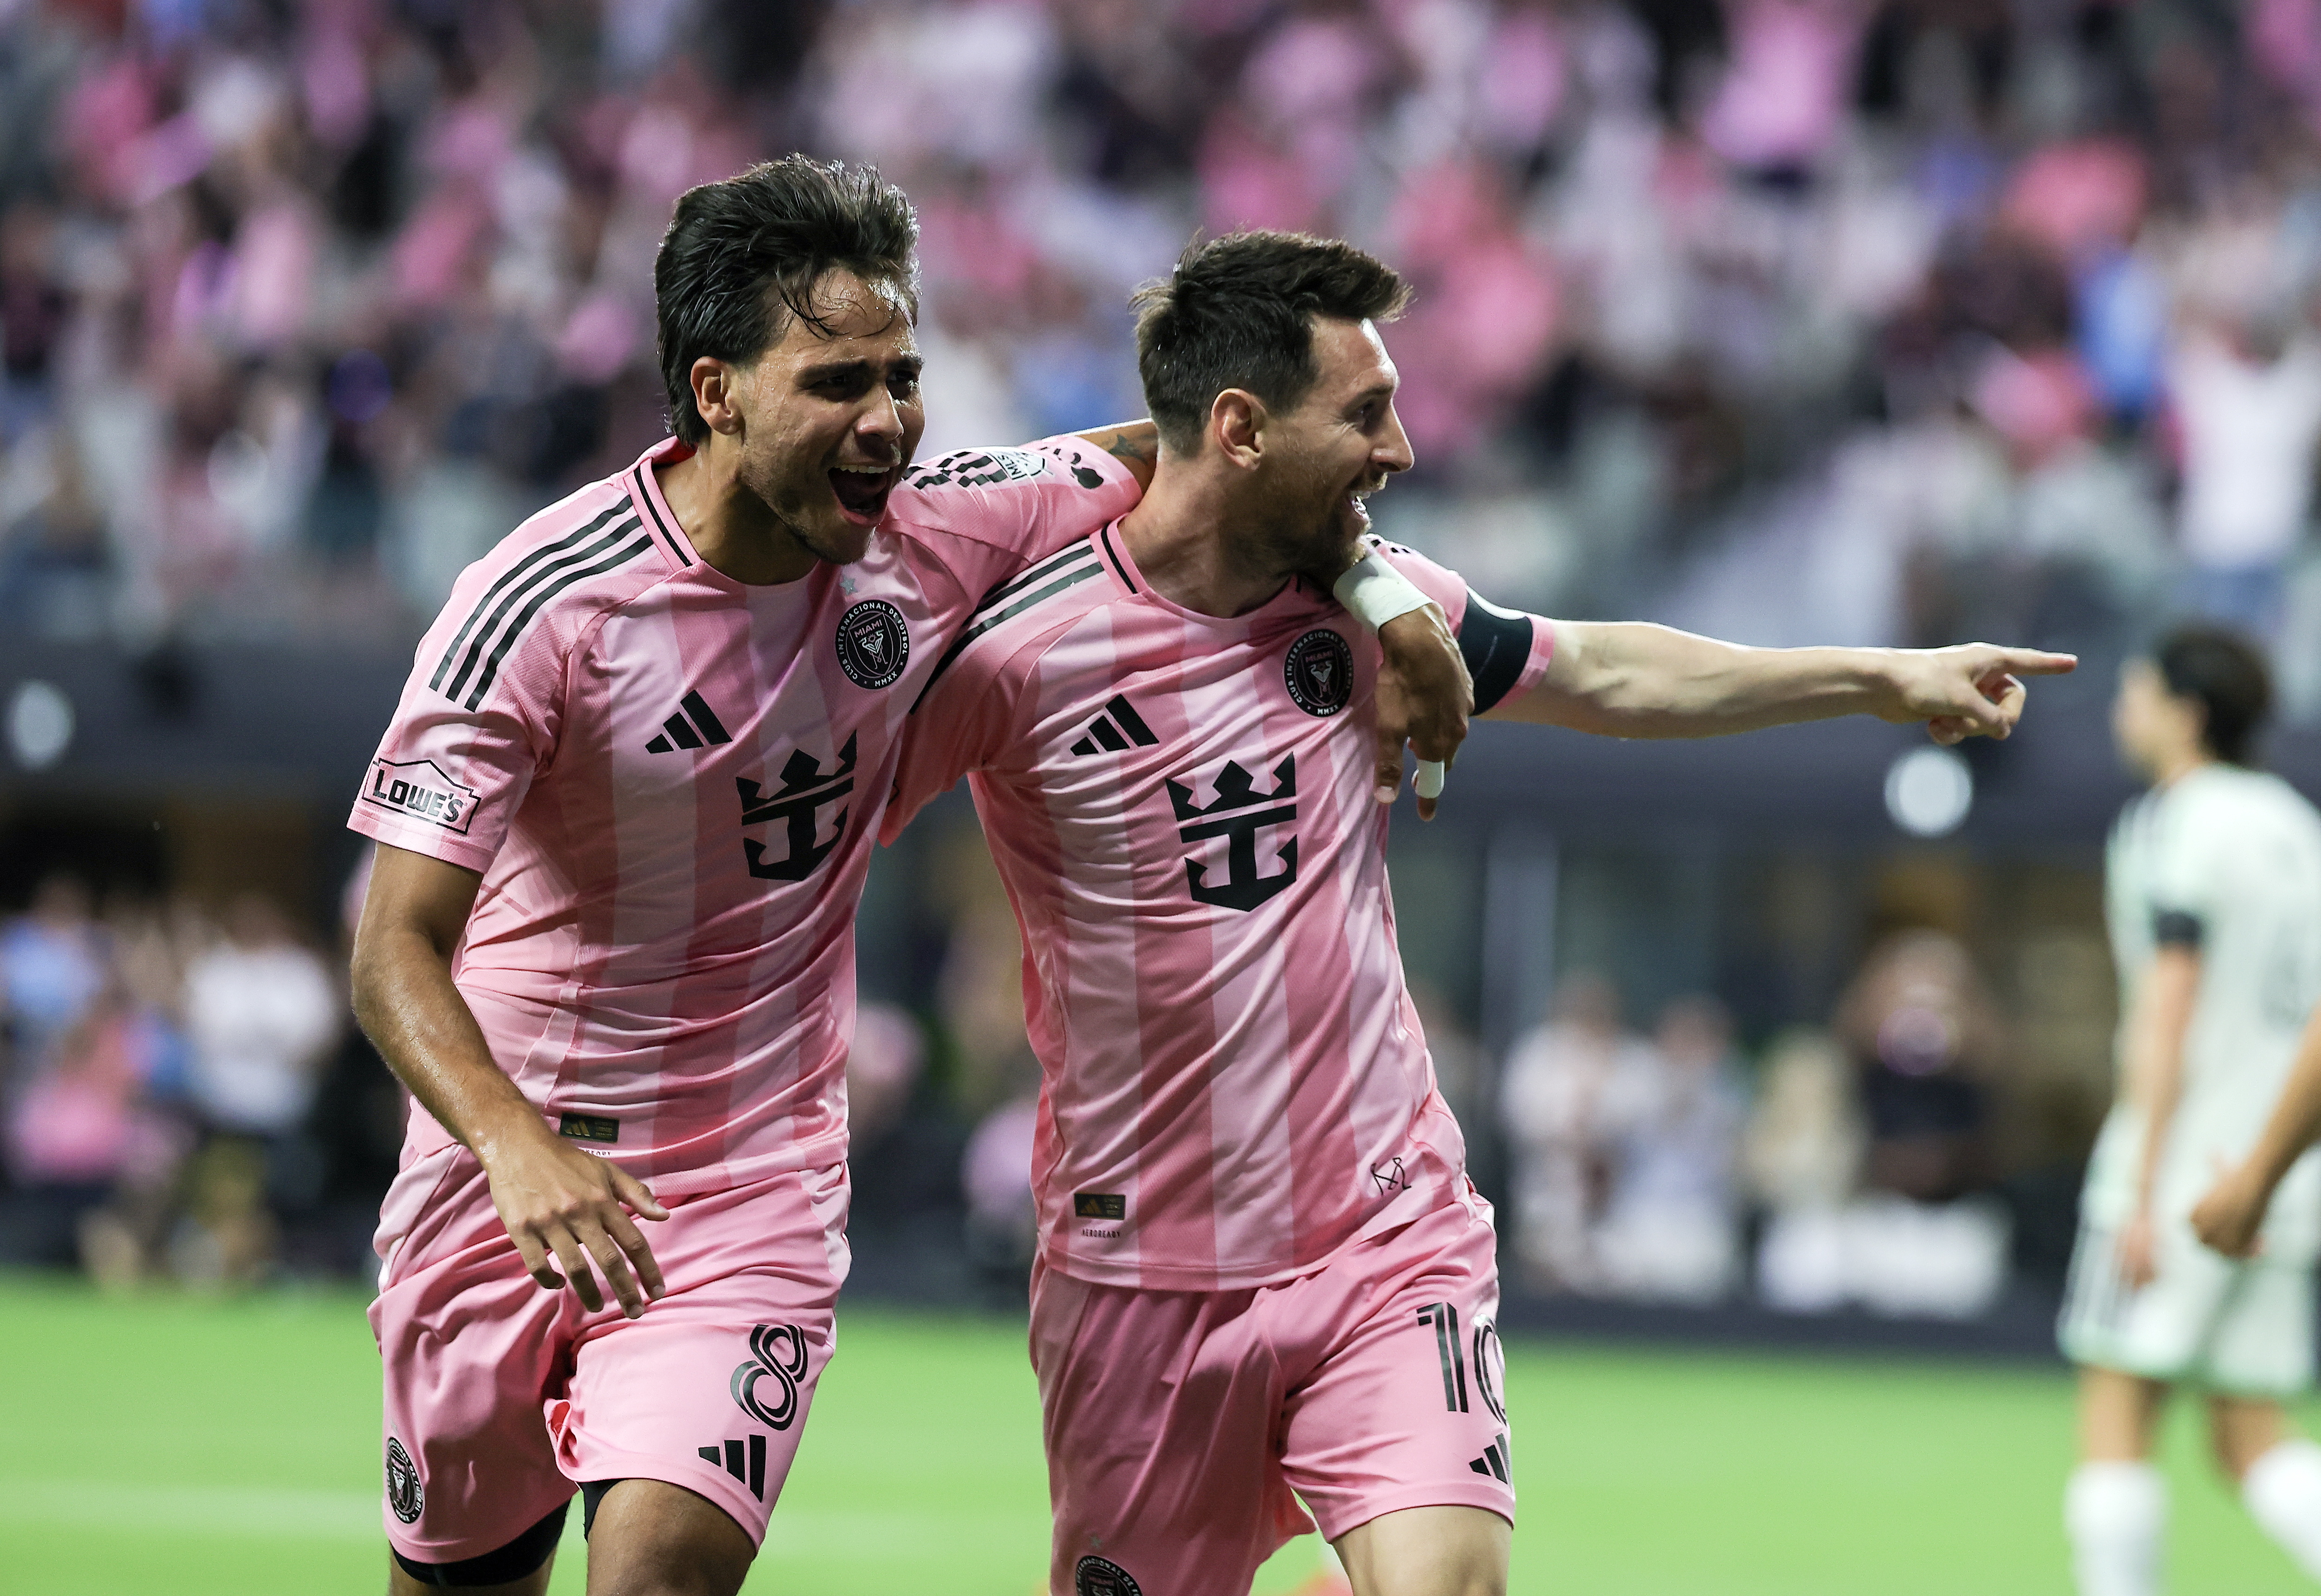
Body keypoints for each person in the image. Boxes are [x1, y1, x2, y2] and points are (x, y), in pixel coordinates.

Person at [885, 229, 2074, 1596]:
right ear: (1239, 428)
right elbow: (829, 818)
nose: (1399, 448)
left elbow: (1612, 673)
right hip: (1137, 1266)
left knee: (1450, 1577)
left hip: (1379, 1223)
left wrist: (1877, 674)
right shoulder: (1014, 648)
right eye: (1365, 413)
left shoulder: (1368, 601)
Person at [346, 159, 1464, 1596]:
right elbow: (392, 947)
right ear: (717, 388)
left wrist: (1375, 584)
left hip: (749, 1183)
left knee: (662, 1569)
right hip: (504, 1173)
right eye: (836, 385)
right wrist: (511, 1143)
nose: (886, 424)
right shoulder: (540, 604)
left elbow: (1227, 450)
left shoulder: (941, 527)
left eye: (904, 374)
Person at [2058, 626, 2321, 1596]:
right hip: (2282, 1166)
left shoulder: (2174, 822)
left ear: (2187, 712)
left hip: (2182, 1169)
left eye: (2136, 694)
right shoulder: (2298, 825)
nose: (2125, 713)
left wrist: (2138, 1181)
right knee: (2249, 1436)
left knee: (2115, 1418)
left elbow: (2169, 1001)